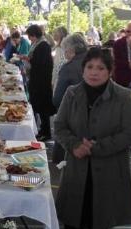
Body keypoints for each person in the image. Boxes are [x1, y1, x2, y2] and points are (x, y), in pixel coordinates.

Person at [54, 47, 131, 229]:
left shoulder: (123, 96)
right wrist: (74, 145)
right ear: (83, 69)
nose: (94, 73)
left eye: (100, 68)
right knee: (73, 216)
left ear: (110, 71)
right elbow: (59, 126)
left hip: (108, 171)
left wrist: (99, 147)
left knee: (99, 223)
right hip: (77, 168)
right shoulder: (72, 93)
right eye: (90, 67)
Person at [51, 32, 88, 164]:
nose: (64, 54)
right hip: (94, 119)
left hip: (72, 119)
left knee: (67, 161)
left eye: (65, 51)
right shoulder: (93, 61)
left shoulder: (68, 68)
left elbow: (58, 99)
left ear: (71, 51)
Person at [24, 25, 55, 141]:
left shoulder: (43, 45)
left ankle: (46, 132)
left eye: (30, 36)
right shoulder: (38, 44)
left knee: (43, 108)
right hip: (37, 80)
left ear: (34, 35)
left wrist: (28, 59)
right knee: (39, 107)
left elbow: (40, 63)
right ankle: (42, 129)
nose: (29, 38)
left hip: (41, 82)